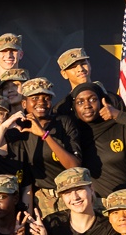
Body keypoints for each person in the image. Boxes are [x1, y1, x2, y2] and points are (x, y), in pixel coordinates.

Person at [5, 78, 82, 216]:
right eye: (34, 98)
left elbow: (74, 166)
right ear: (24, 103)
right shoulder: (20, 130)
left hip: (72, 193)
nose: (41, 102)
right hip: (44, 200)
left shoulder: (63, 123)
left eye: (46, 98)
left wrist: (44, 135)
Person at [70, 83, 126, 201]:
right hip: (98, 208)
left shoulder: (121, 127)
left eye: (93, 99)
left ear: (102, 100)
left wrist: (118, 115)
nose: (87, 105)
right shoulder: (73, 135)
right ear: (74, 107)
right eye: (80, 102)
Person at [53, 48, 126, 121]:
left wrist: (117, 114)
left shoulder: (112, 99)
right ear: (64, 74)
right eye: (73, 67)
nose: (80, 69)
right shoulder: (62, 108)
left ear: (89, 65)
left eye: (83, 63)